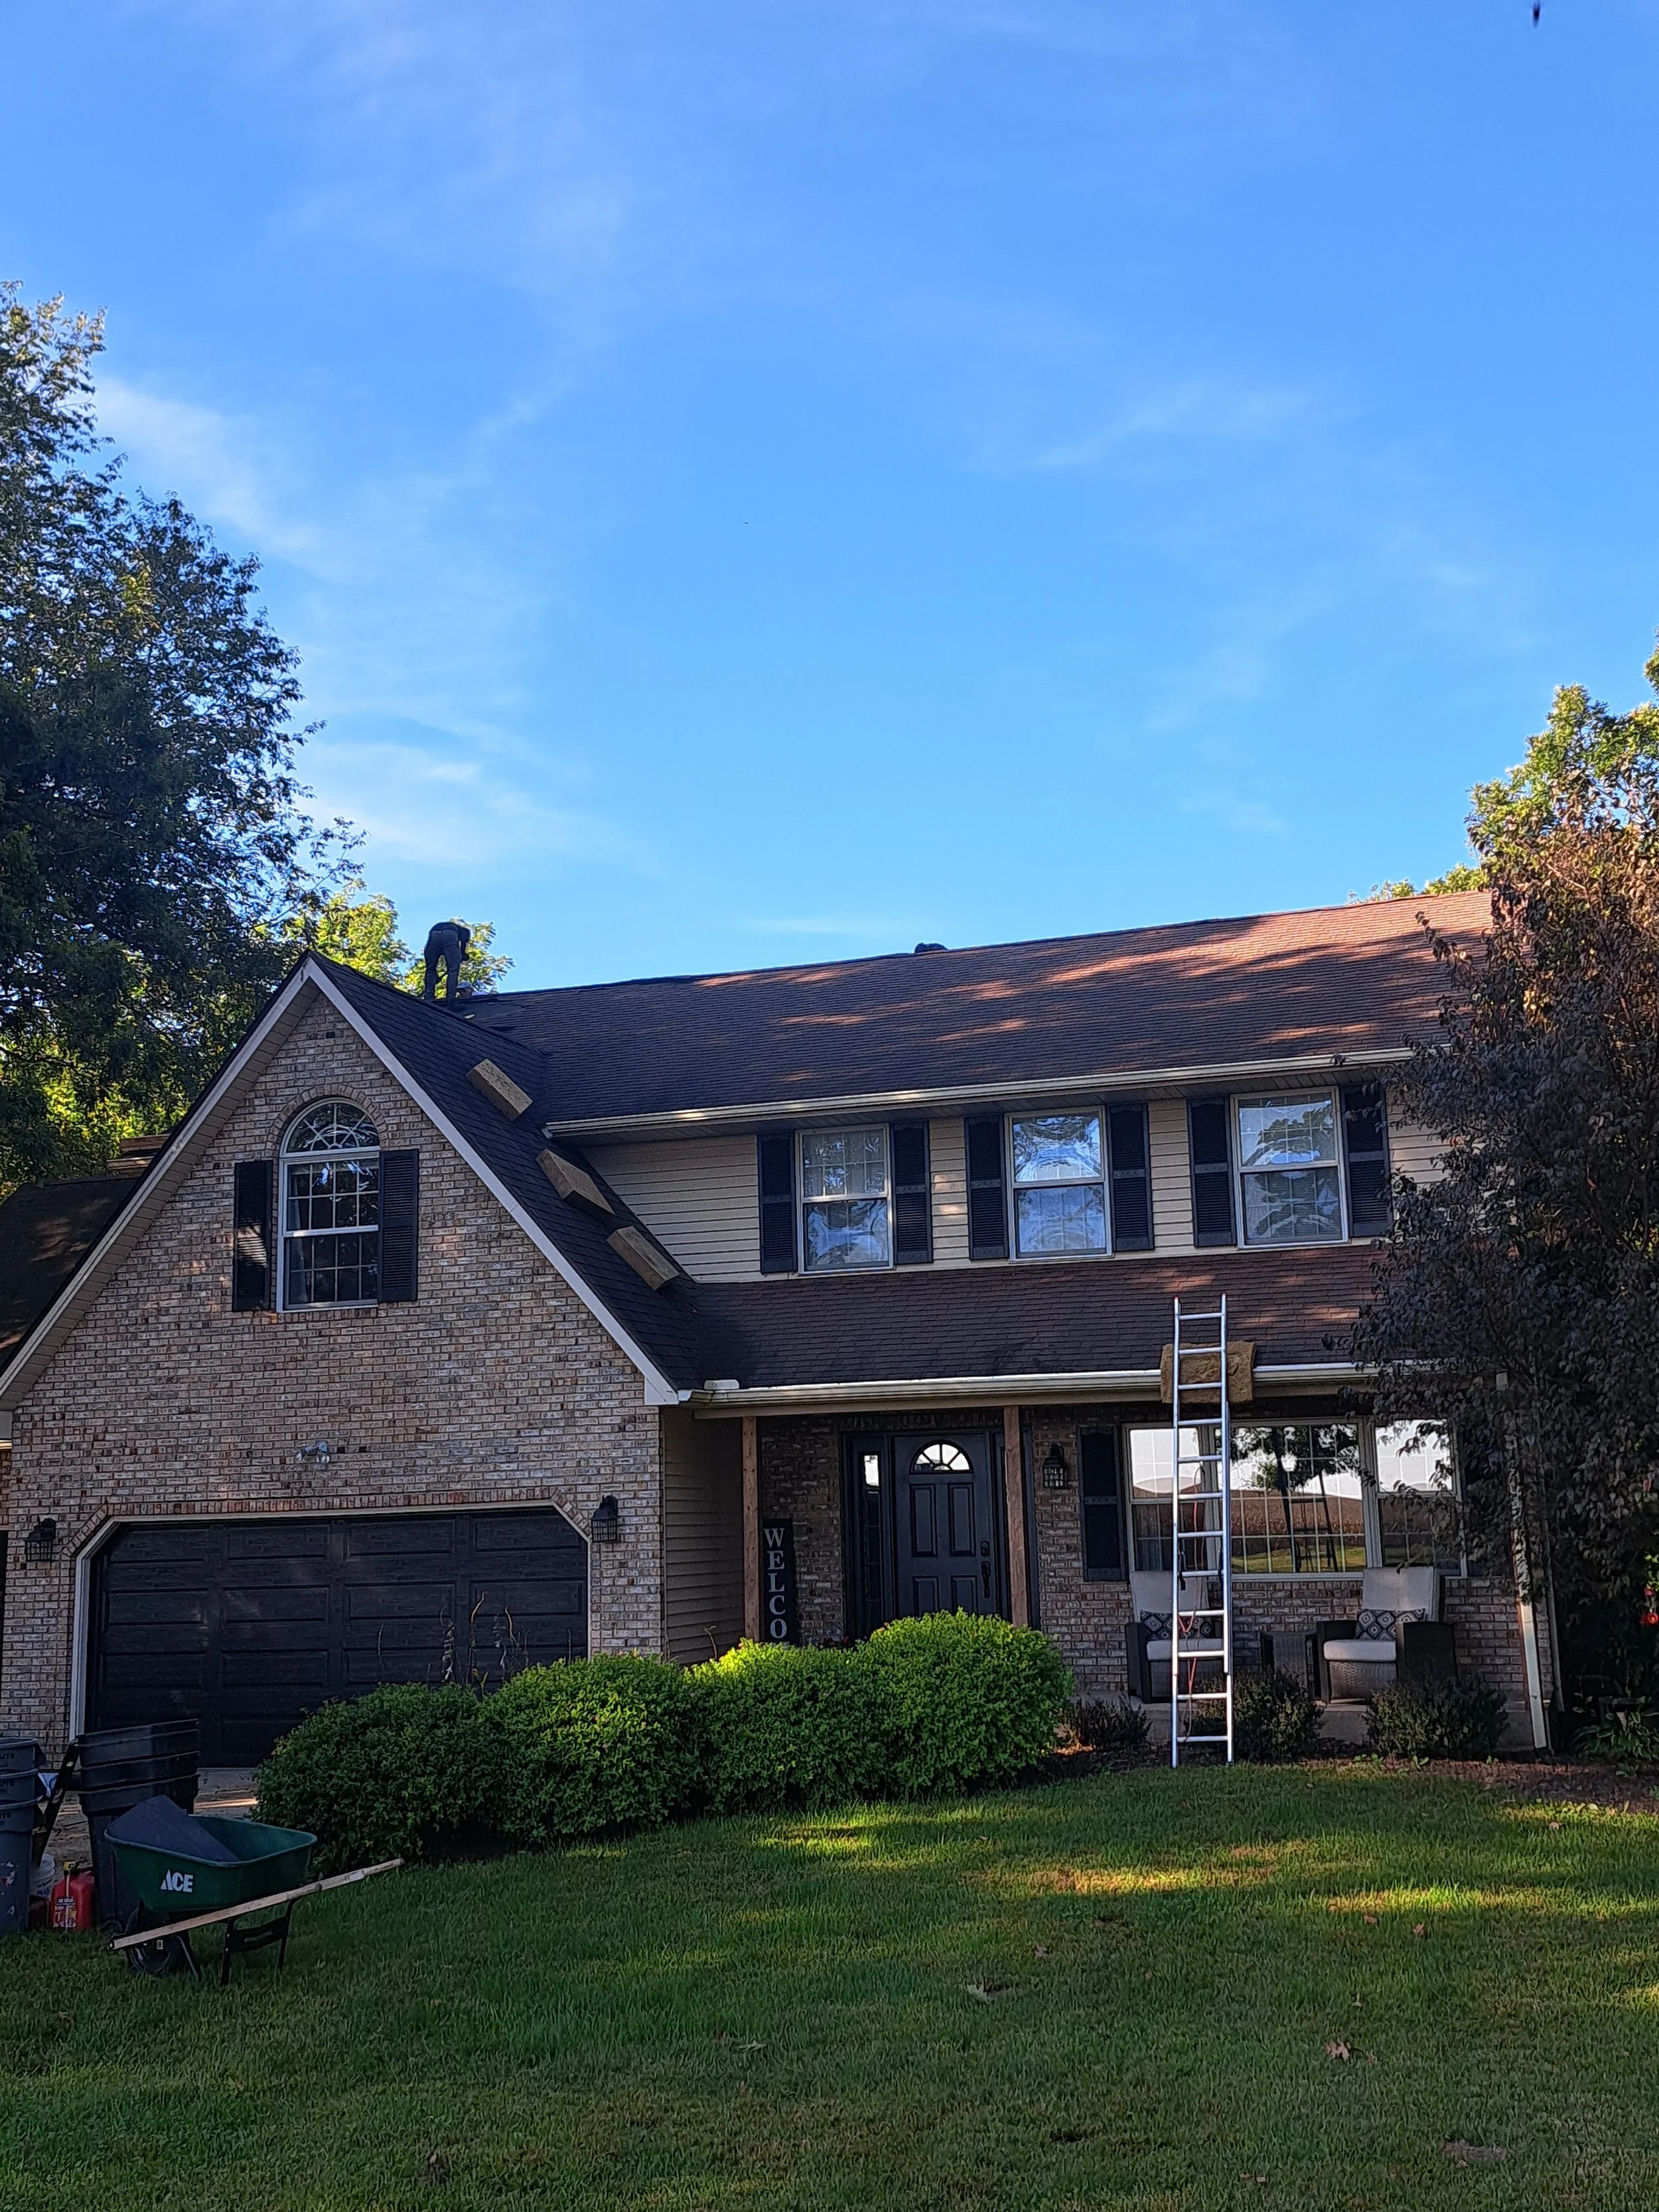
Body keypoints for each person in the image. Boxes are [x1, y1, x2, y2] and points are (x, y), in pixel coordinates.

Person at [422, 919, 472, 1002]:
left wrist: (435, 977)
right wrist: (463, 954)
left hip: (434, 934)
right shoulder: (465, 931)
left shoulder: (449, 927)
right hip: (450, 934)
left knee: (430, 969)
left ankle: (429, 996)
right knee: (453, 970)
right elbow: (463, 945)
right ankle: (451, 998)